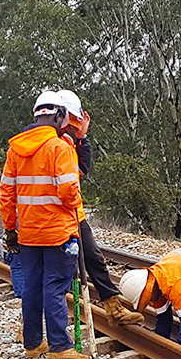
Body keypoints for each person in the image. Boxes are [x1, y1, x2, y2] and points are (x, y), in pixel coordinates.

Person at [0, 91, 87, 359]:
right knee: (55, 287)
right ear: (58, 116)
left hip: (28, 233)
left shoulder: (16, 150)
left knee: (33, 286)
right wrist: (77, 205)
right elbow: (68, 190)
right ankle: (60, 346)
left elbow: (6, 193)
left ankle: (33, 343)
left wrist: (11, 228)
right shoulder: (58, 148)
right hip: (58, 231)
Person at [56, 89, 143, 327]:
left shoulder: (67, 141)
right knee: (56, 272)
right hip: (53, 218)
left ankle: (113, 308)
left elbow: (82, 169)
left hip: (74, 214)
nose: (72, 124)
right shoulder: (49, 143)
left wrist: (82, 137)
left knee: (94, 259)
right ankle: (36, 323)